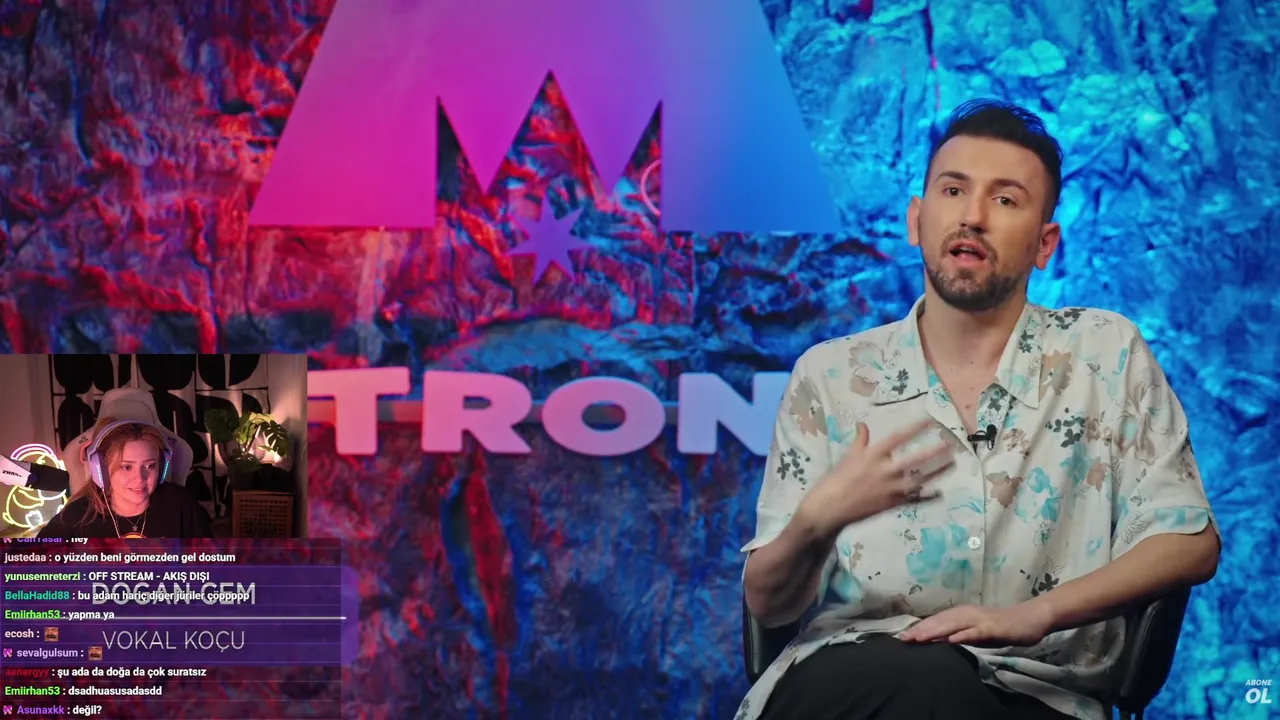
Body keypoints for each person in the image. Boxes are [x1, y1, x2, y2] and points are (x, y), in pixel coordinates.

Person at [737, 100, 1220, 720]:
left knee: (939, 686)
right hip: (850, 683)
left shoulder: (1104, 353)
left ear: (1045, 243)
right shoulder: (830, 377)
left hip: (1035, 694)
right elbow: (770, 607)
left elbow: (1188, 542)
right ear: (917, 220)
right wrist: (817, 519)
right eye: (953, 190)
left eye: (1005, 199)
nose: (972, 216)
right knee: (906, 679)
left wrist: (1036, 615)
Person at [39, 389, 212, 539]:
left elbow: (211, 561)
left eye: (149, 466)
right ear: (100, 469)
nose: (140, 478)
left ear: (162, 467)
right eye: (126, 467)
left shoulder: (182, 504)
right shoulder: (77, 515)